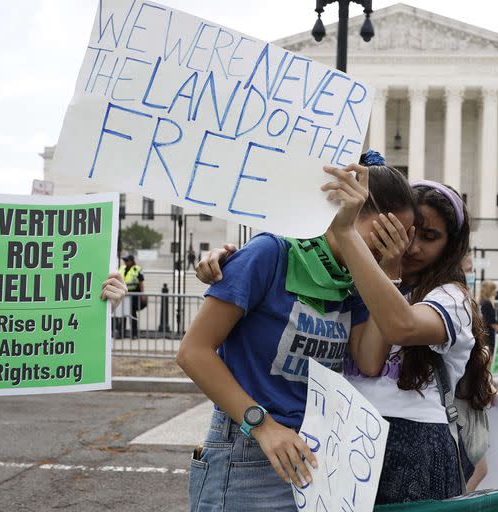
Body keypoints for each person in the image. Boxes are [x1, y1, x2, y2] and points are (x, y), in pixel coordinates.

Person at [176, 164, 415, 512]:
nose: (394, 246)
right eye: (385, 234)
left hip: (313, 454)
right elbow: (193, 352)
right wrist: (263, 426)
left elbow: (369, 360)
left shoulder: (356, 282)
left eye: (402, 238)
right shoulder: (270, 253)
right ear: (345, 211)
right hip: (250, 451)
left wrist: (389, 272)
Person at [325, 167, 495, 503]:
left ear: (451, 247)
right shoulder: (358, 280)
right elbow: (369, 363)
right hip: (348, 433)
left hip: (415, 442)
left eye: (429, 237)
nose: (411, 246)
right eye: (405, 231)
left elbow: (401, 326)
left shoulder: (452, 297)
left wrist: (388, 270)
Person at [118, 254, 144, 338]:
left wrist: (142, 294)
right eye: (124, 260)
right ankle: (121, 334)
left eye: (127, 260)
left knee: (132, 315)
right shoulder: (122, 268)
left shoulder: (137, 269)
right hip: (123, 295)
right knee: (122, 315)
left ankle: (134, 334)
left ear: (131, 261)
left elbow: (141, 283)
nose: (125, 262)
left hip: (133, 295)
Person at [478, 280, 498, 354]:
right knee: (490, 354)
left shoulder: (481, 301)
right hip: (488, 333)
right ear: (490, 290)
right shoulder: (487, 303)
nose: (495, 292)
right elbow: (491, 321)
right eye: (494, 289)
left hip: (482, 332)